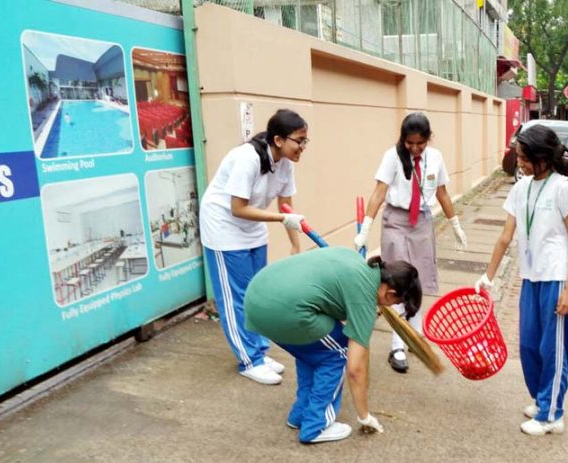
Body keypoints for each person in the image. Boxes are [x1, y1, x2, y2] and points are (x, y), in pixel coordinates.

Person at [244, 248, 421, 444]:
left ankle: (300, 415)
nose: (390, 307)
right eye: (397, 302)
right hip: (282, 312)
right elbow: (355, 369)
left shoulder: (355, 260)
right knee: (338, 352)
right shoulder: (364, 298)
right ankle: (315, 426)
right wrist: (365, 416)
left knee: (315, 350)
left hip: (257, 300)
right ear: (391, 293)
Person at [476, 125, 568, 437]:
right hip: (531, 277)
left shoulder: (562, 187)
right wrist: (487, 276)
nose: (519, 162)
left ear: (542, 157)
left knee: (553, 349)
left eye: (524, 157)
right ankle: (541, 400)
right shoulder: (520, 188)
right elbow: (505, 237)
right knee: (529, 345)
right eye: (518, 157)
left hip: (557, 278)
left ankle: (552, 415)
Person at [199, 109, 308, 385]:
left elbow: (286, 206)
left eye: (306, 141)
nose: (303, 147)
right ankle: (249, 359)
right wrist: (282, 218)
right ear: (279, 139)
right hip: (224, 227)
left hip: (253, 226)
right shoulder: (246, 158)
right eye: (300, 140)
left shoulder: (285, 162)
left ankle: (259, 350)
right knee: (236, 297)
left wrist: (295, 246)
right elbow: (237, 208)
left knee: (257, 293)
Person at [354, 112, 467, 373]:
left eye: (420, 143)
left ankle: (414, 338)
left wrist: (456, 224)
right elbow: (379, 193)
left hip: (422, 223)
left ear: (428, 139)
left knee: (417, 282)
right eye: (410, 143)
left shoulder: (435, 158)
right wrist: (366, 227)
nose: (414, 149)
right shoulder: (392, 156)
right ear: (403, 139)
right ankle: (397, 345)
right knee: (396, 282)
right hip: (396, 220)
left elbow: (442, 194)